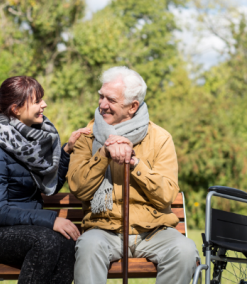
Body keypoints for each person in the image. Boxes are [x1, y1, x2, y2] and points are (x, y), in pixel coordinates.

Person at [67, 66, 200, 284]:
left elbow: (166, 195)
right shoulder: (86, 136)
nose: (102, 104)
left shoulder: (160, 138)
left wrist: (135, 163)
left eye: (110, 99)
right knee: (89, 247)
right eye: (100, 96)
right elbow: (79, 189)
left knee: (184, 250)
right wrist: (103, 154)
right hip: (104, 229)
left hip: (153, 231)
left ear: (132, 106)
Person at [0, 76, 90, 284]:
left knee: (68, 243)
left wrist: (67, 150)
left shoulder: (33, 145)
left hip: (24, 229)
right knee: (45, 240)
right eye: (37, 100)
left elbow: (49, 186)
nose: (44, 104)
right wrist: (51, 220)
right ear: (16, 109)